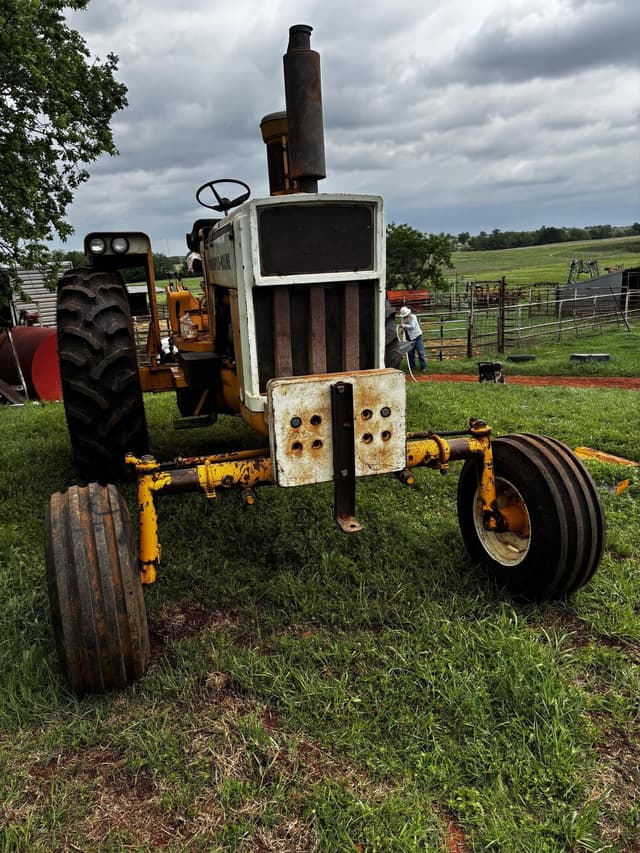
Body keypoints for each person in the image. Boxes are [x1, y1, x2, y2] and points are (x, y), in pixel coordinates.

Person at [399, 305, 427, 372]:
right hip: (409, 338)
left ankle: (423, 367)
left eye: (405, 315)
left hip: (417, 337)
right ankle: (412, 367)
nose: (405, 316)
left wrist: (403, 326)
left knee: (420, 352)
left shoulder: (413, 317)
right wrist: (402, 330)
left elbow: (412, 326)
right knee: (410, 353)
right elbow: (405, 328)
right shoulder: (403, 319)